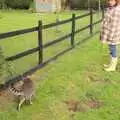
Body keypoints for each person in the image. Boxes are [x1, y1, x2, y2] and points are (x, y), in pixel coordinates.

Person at [100, 0, 120, 71]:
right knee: (111, 48)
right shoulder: (110, 8)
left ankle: (113, 67)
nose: (110, 2)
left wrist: (110, 37)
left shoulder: (116, 10)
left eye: (112, 0)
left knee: (113, 48)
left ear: (116, 1)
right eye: (109, 0)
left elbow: (114, 25)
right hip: (108, 32)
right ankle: (111, 64)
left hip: (113, 33)